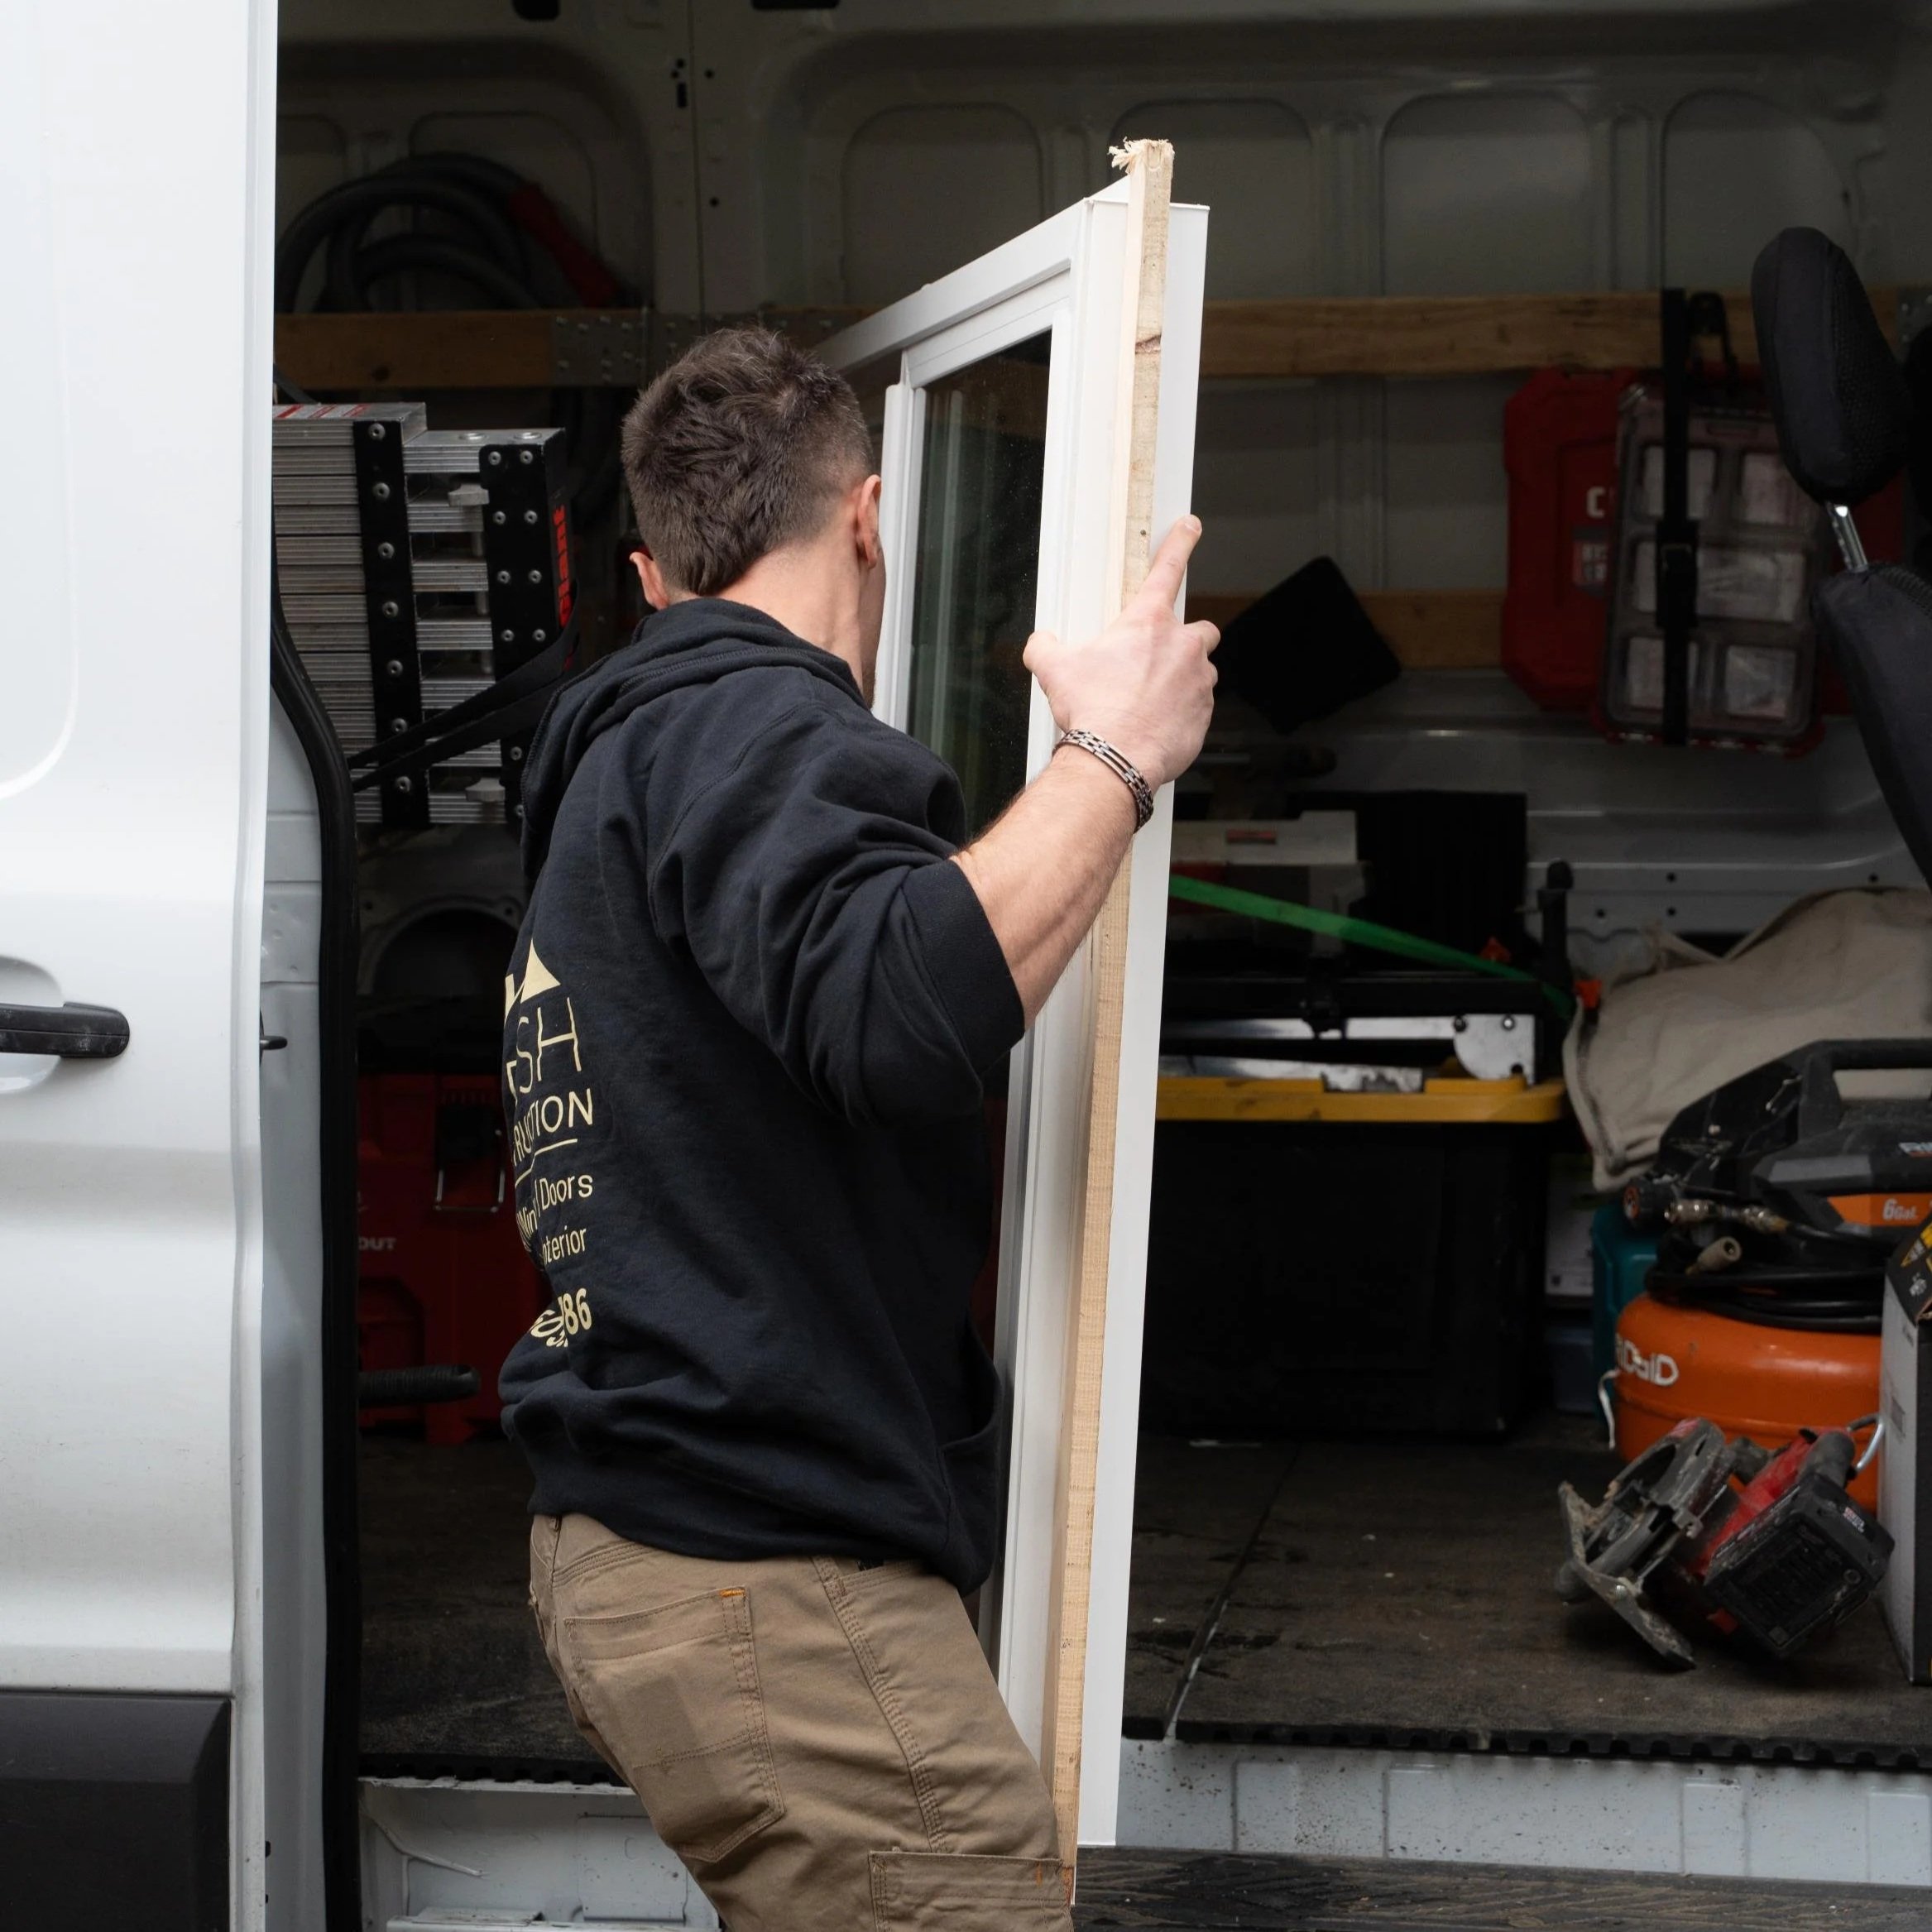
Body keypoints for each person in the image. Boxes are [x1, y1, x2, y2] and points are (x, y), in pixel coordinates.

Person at [500, 326, 1217, 1930]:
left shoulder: (631, 754)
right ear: (873, 518)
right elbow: (900, 1010)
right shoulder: (760, 728)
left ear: (648, 574)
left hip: (645, 1545)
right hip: (763, 1570)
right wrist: (1118, 750)